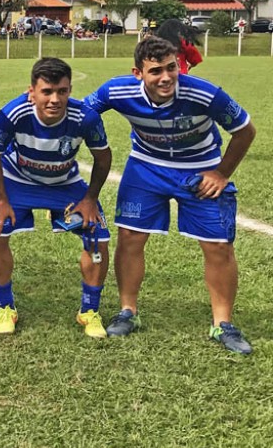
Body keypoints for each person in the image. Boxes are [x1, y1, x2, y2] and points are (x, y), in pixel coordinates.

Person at [83, 37, 257, 354]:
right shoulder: (116, 90)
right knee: (131, 237)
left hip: (201, 168)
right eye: (155, 71)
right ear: (138, 73)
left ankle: (223, 324)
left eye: (171, 68)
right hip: (146, 167)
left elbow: (245, 130)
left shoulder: (205, 93)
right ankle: (128, 312)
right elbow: (80, 112)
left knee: (218, 245)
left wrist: (221, 173)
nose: (166, 77)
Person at [0, 57, 113, 338]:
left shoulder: (85, 117)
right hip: (18, 180)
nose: (55, 99)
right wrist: (1, 199)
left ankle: (89, 311)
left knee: (98, 239)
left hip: (64, 182)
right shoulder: (12, 114)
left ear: (69, 90)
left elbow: (103, 158)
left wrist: (90, 199)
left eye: (62, 91)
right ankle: (6, 307)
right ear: (32, 92)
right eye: (47, 92)